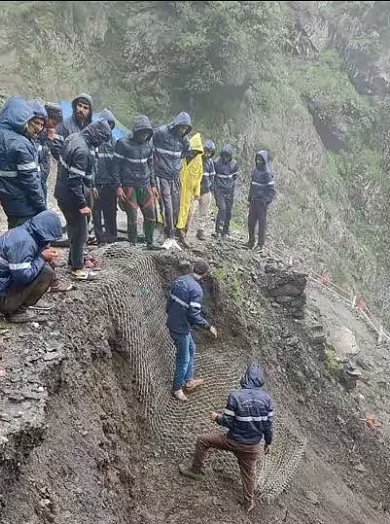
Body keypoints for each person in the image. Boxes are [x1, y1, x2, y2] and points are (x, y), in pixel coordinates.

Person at [179, 363, 274, 513]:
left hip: (233, 440)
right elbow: (268, 425)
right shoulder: (267, 399)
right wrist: (268, 442)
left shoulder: (236, 396)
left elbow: (228, 422)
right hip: (252, 446)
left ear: (246, 377)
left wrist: (216, 417)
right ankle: (248, 503)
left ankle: (195, 471)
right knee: (249, 474)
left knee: (203, 440)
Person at [54, 120, 112, 280]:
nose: (100, 144)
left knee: (73, 229)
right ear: (97, 135)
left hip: (62, 192)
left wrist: (90, 185)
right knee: (80, 232)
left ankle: (72, 261)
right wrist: (82, 204)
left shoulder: (73, 137)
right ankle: (77, 269)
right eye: (101, 139)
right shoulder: (82, 150)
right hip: (72, 197)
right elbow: (75, 181)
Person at [0, 210, 62, 323]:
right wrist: (41, 258)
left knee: (43, 267)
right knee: (46, 272)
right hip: (1, 299)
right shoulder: (24, 242)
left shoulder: (24, 232)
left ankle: (17, 304)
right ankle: (17, 311)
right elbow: (22, 277)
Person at [0, 96, 47, 229]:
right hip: (25, 205)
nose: (38, 128)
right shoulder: (20, 143)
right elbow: (30, 182)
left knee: (15, 237)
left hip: (8, 202)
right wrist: (42, 207)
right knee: (27, 243)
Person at [166, 259, 218, 401]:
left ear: (194, 268)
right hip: (180, 327)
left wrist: (170, 314)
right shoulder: (196, 289)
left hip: (175, 321)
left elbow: (169, 300)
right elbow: (194, 314)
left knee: (191, 347)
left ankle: (189, 380)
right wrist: (208, 326)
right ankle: (177, 388)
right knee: (183, 358)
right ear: (205, 274)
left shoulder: (180, 280)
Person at [114, 115, 160, 249]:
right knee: (132, 217)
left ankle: (150, 242)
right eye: (142, 132)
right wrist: (118, 187)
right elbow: (116, 166)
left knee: (151, 215)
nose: (144, 135)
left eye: (147, 133)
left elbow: (150, 165)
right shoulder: (123, 143)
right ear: (136, 131)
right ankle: (132, 244)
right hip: (129, 185)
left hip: (145, 185)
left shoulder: (149, 144)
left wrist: (153, 185)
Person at [152, 111, 192, 249]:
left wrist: (178, 164)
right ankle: (167, 234)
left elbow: (188, 151)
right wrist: (155, 161)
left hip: (175, 176)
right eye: (181, 127)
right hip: (162, 174)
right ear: (176, 125)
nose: (183, 130)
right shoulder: (161, 132)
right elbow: (150, 145)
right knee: (166, 205)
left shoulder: (184, 140)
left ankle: (172, 234)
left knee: (175, 207)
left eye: (186, 129)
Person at [92, 108, 119, 244]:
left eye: (110, 124)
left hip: (110, 184)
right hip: (96, 184)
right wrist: (91, 184)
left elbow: (117, 165)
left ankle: (112, 237)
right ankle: (99, 238)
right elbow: (89, 164)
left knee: (111, 212)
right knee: (96, 213)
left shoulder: (115, 142)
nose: (107, 127)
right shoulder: (93, 141)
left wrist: (117, 184)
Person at [176, 132, 204, 248]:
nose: (192, 154)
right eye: (192, 151)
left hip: (188, 192)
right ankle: (169, 232)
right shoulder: (181, 156)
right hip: (178, 188)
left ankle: (181, 233)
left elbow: (199, 177)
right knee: (173, 209)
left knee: (186, 212)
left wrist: (196, 192)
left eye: (195, 152)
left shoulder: (198, 161)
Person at [247, 150, 276, 252]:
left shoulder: (267, 173)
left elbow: (272, 190)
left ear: (264, 161)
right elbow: (252, 185)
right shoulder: (255, 171)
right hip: (254, 201)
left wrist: (266, 201)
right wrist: (249, 199)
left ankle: (260, 244)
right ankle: (251, 241)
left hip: (261, 203)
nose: (258, 161)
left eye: (261, 159)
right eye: (257, 159)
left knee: (261, 224)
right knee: (250, 222)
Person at [50, 93, 93, 161]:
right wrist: (69, 162)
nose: (81, 110)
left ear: (90, 111)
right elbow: (56, 148)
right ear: (75, 106)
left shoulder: (92, 128)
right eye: (79, 105)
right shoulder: (64, 125)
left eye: (85, 108)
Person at [189, 139, 216, 241]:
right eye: (206, 151)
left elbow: (213, 176)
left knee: (203, 213)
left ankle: (200, 231)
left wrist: (210, 187)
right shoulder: (196, 158)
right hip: (195, 190)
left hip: (206, 190)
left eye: (210, 152)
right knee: (190, 211)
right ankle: (184, 229)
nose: (207, 154)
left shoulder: (210, 162)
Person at [212, 144, 239, 239]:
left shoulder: (234, 164)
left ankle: (226, 231)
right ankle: (217, 230)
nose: (225, 158)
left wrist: (232, 189)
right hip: (219, 190)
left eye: (227, 156)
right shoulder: (216, 163)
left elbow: (234, 177)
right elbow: (213, 177)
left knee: (228, 211)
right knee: (222, 209)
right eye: (224, 156)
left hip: (229, 190)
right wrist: (214, 189)